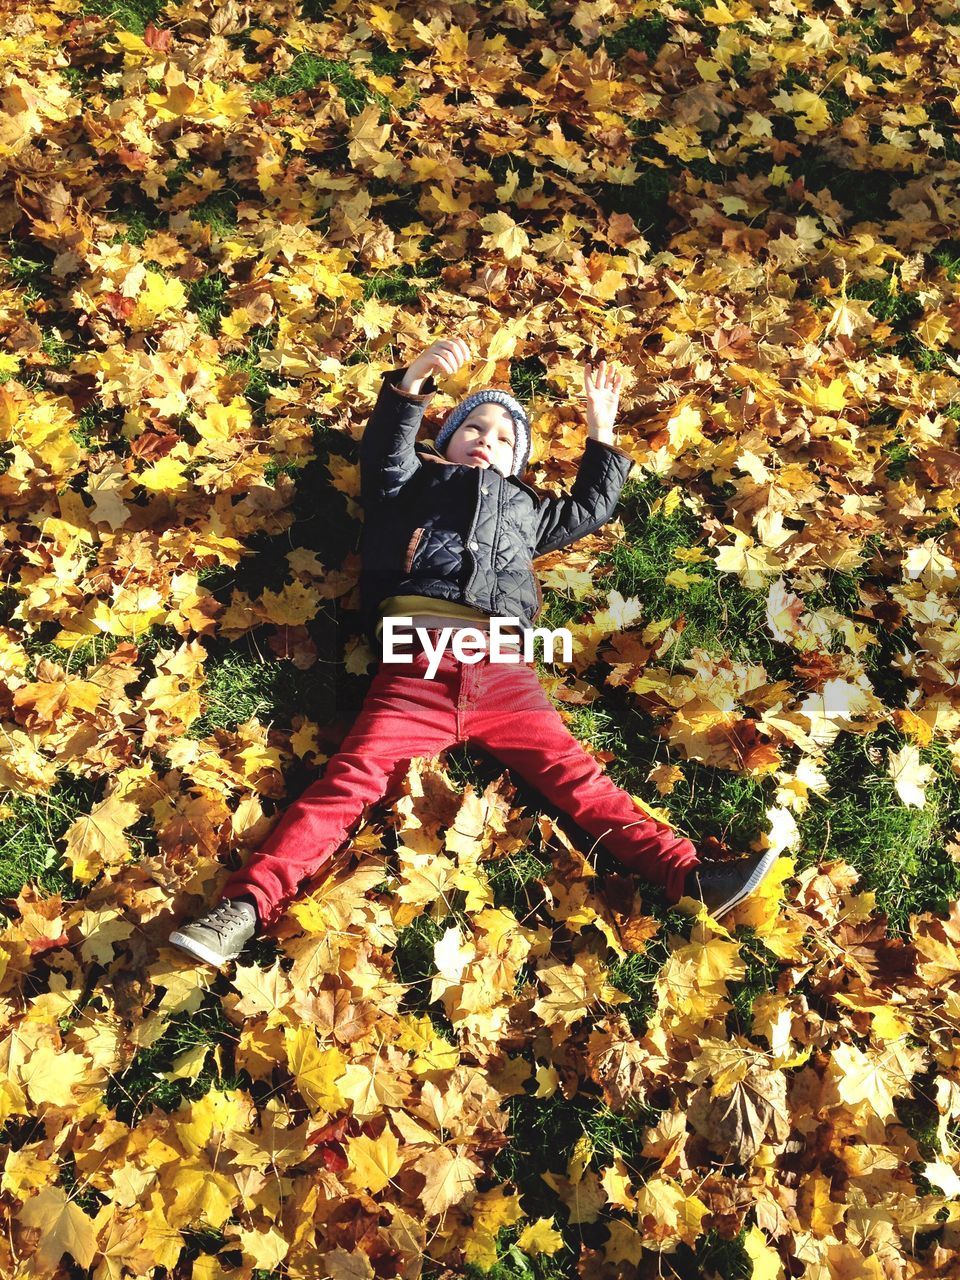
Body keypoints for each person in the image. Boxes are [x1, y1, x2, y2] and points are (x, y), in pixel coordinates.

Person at [169, 339, 780, 967]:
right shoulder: (412, 482)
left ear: (520, 464)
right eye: (473, 428)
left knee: (581, 779)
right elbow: (384, 450)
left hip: (505, 677)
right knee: (347, 783)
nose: (488, 439)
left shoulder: (529, 511)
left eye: (505, 438)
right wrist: (412, 384)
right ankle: (243, 909)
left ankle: (692, 877)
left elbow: (594, 506)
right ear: (447, 439)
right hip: (417, 666)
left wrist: (602, 431)